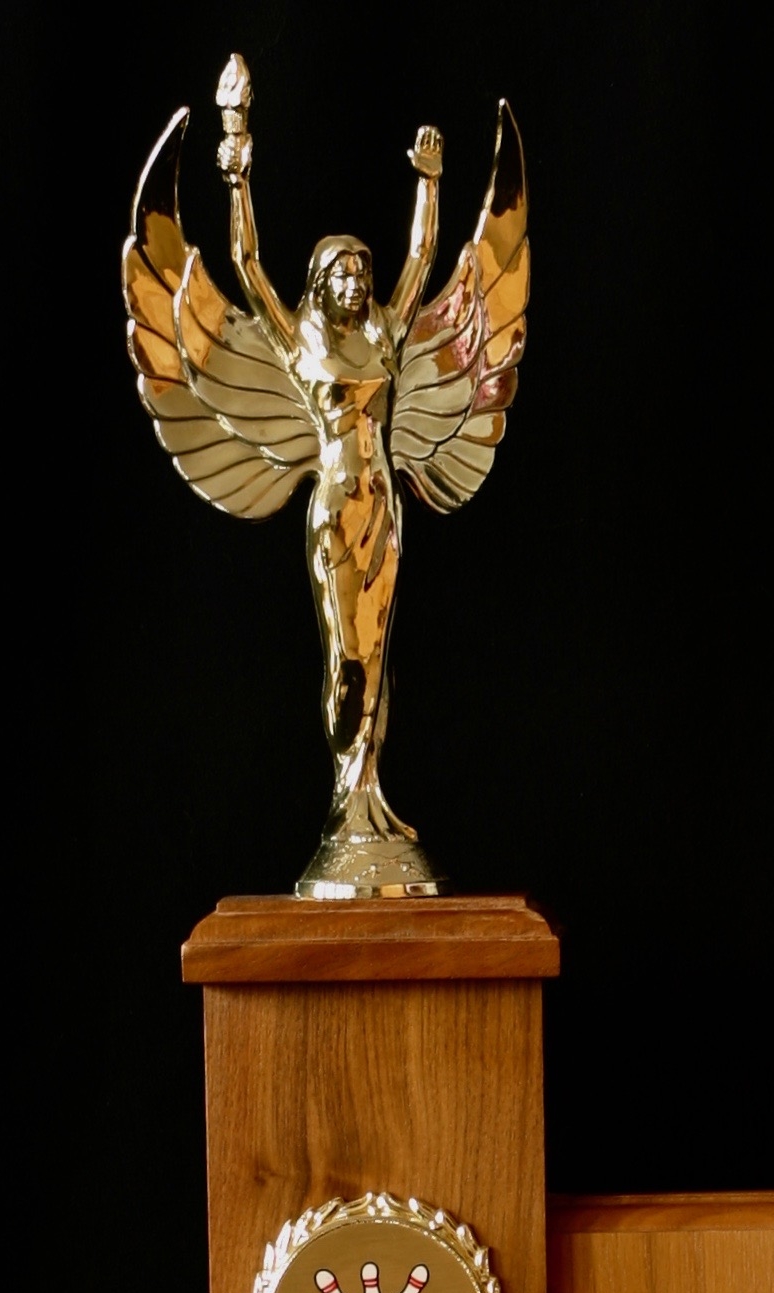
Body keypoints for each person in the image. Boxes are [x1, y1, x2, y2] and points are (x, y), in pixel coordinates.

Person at [217, 55, 442, 871]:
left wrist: (430, 181)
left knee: (378, 654)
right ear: (317, 283)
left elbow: (422, 263)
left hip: (384, 503)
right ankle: (344, 799)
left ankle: (370, 797)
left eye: (360, 270)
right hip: (335, 507)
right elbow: (245, 267)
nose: (356, 280)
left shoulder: (383, 334)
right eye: (341, 271)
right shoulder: (301, 340)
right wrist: (236, 162)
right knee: (344, 656)